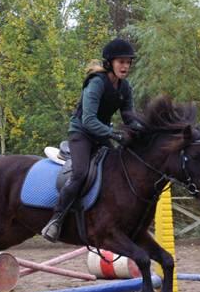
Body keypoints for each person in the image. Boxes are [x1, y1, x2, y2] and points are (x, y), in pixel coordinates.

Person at [42, 38, 138, 242]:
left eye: (128, 62)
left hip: (101, 135)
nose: (125, 66)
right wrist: (114, 134)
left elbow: (129, 116)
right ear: (110, 63)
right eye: (121, 62)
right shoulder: (96, 83)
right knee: (80, 173)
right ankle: (56, 219)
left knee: (117, 171)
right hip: (81, 134)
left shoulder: (125, 87)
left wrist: (145, 131)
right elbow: (88, 120)